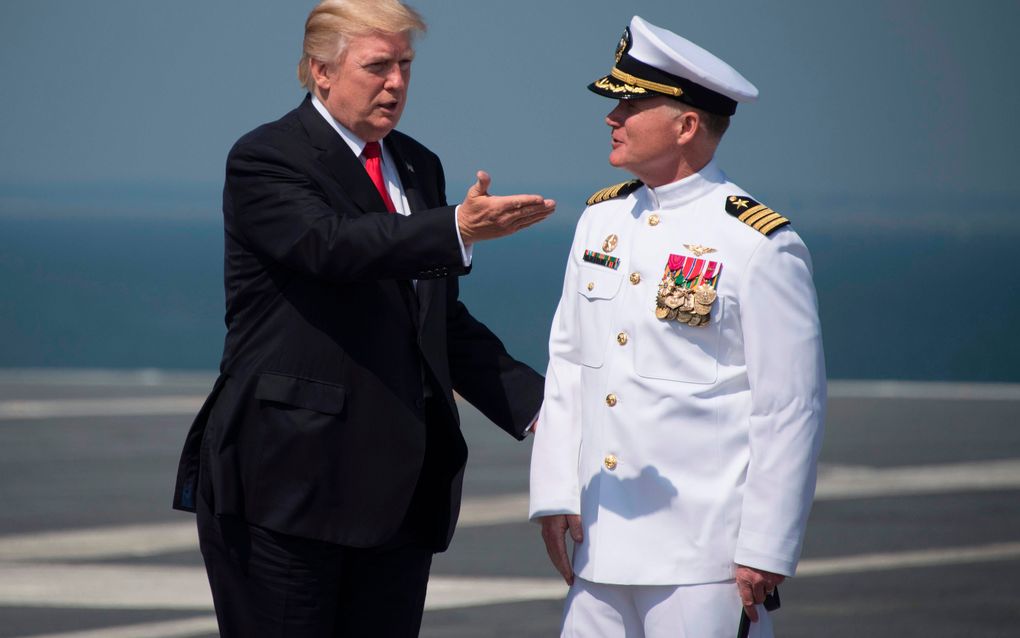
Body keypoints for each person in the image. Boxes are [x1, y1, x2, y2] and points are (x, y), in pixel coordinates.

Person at [171, 1, 553, 635]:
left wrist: (544, 408)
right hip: (288, 489)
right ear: (321, 71)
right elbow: (332, 245)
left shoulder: (418, 165)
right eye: (377, 66)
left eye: (404, 65)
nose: (396, 83)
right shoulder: (268, 158)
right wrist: (453, 226)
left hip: (397, 498)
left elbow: (436, 324)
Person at [529, 16, 826, 638]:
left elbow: (789, 406)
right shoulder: (601, 221)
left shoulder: (757, 244)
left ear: (686, 125)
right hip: (600, 544)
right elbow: (570, 368)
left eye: (630, 104)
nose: (612, 117)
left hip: (704, 559)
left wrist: (766, 547)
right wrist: (555, 495)